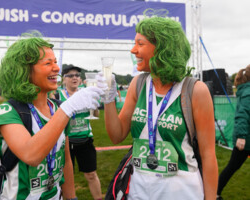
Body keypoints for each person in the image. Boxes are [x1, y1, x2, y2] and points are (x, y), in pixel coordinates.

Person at [96, 17, 218, 199]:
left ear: (162, 48)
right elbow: (116, 135)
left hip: (181, 191)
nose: (133, 50)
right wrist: (108, 98)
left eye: (140, 43)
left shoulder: (195, 90)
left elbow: (208, 155)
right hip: (138, 189)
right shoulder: (138, 83)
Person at [0, 35, 103, 199]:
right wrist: (68, 108)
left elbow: (65, 160)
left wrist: (71, 197)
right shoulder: (8, 111)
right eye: (48, 63)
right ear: (25, 70)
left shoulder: (57, 108)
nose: (57, 68)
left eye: (56, 62)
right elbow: (31, 155)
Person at [55, 65, 102, 200]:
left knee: (91, 175)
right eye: (70, 75)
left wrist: (95, 107)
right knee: (65, 178)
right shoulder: (58, 95)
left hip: (85, 140)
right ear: (64, 79)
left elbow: (96, 114)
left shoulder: (86, 93)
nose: (74, 77)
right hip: (66, 143)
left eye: (77, 75)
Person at [217, 64, 250, 200]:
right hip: (246, 139)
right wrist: (242, 137)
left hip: (245, 138)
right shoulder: (248, 92)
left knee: (231, 167)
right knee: (232, 167)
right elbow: (243, 114)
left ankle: (214, 192)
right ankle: (214, 192)